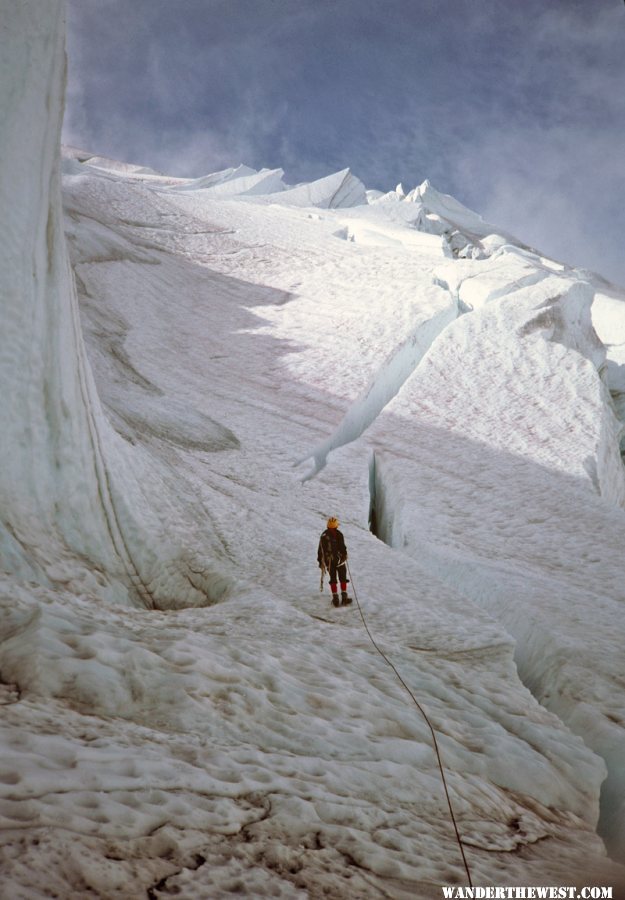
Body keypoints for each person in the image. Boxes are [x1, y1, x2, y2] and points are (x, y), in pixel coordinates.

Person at [318, 517, 352, 607]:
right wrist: (344, 555)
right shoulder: (339, 534)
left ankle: (335, 598)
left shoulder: (324, 535)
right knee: (343, 578)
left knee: (333, 579)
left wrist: (320, 562)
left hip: (329, 561)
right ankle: (344, 598)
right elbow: (342, 547)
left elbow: (320, 550)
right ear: (336, 526)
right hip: (339, 560)